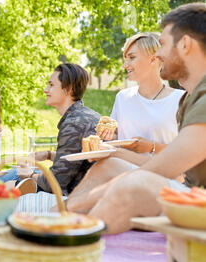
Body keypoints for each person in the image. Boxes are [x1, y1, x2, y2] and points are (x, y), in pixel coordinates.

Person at [66, 2, 206, 234]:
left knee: (135, 183)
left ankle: (70, 238)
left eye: (162, 44)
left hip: (196, 201)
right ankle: (59, 218)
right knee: (109, 165)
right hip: (188, 195)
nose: (158, 54)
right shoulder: (189, 97)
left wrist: (92, 197)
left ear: (185, 44)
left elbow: (165, 168)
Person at [97, 32, 185, 165]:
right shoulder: (122, 98)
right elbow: (118, 137)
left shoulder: (180, 100)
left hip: (163, 176)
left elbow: (188, 151)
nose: (125, 65)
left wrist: (152, 147)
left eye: (131, 57)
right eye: (125, 58)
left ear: (154, 59)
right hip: (123, 173)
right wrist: (107, 135)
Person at [18, 63, 101, 196]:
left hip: (78, 198)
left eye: (51, 85)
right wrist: (49, 155)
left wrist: (30, 175)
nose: (46, 90)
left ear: (68, 89)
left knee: (12, 182)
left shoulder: (74, 123)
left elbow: (56, 183)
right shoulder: (86, 115)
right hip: (90, 190)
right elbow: (77, 161)